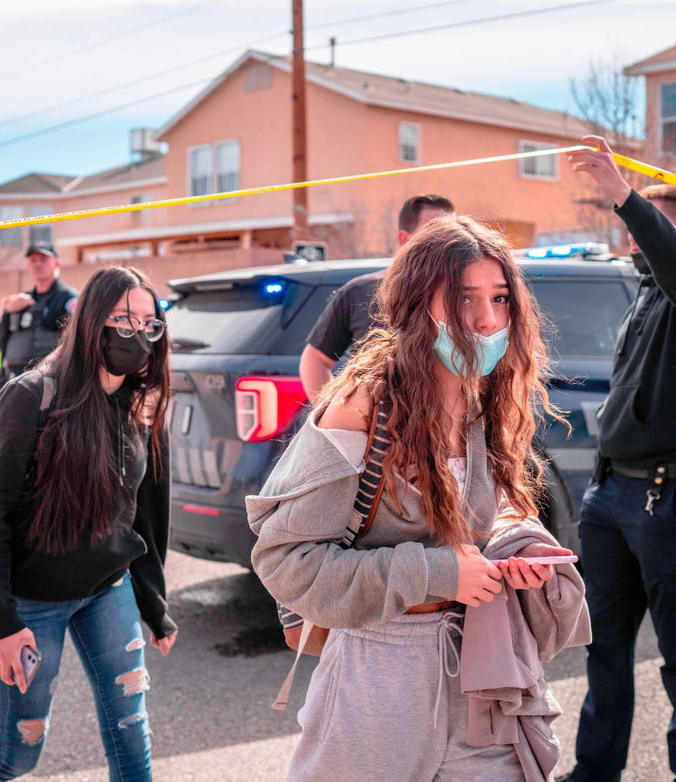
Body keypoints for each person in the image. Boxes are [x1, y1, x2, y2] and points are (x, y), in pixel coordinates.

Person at [249, 216, 589, 781]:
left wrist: (517, 548)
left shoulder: (486, 396)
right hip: (378, 679)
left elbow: (482, 515)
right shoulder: (363, 404)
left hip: (481, 666)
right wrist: (435, 572)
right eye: (463, 298)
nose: (487, 319)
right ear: (418, 304)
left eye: (500, 298)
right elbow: (284, 559)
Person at [559, 136, 676, 782]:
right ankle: (594, 771)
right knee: (604, 649)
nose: (630, 239)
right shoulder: (647, 295)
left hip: (669, 500)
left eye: (641, 229)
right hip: (611, 499)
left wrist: (624, 195)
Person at [0, 266, 178, 782]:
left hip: (109, 589)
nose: (138, 334)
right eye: (123, 320)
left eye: (150, 323)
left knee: (131, 731)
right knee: (18, 753)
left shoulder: (139, 405)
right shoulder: (30, 397)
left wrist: (155, 605)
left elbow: (144, 514)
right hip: (32, 603)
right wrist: (2, 624)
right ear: (90, 322)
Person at [299, 193, 455, 401]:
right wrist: (331, 412)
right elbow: (315, 359)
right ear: (404, 238)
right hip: (379, 428)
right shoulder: (360, 292)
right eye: (433, 233)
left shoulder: (470, 293)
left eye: (451, 234)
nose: (445, 243)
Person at [0, 244, 78, 385]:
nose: (38, 264)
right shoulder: (21, 300)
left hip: (49, 378)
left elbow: (76, 337)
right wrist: (7, 310)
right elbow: (1, 337)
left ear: (56, 263)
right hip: (15, 377)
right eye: (33, 260)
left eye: (43, 259)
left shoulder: (66, 297)